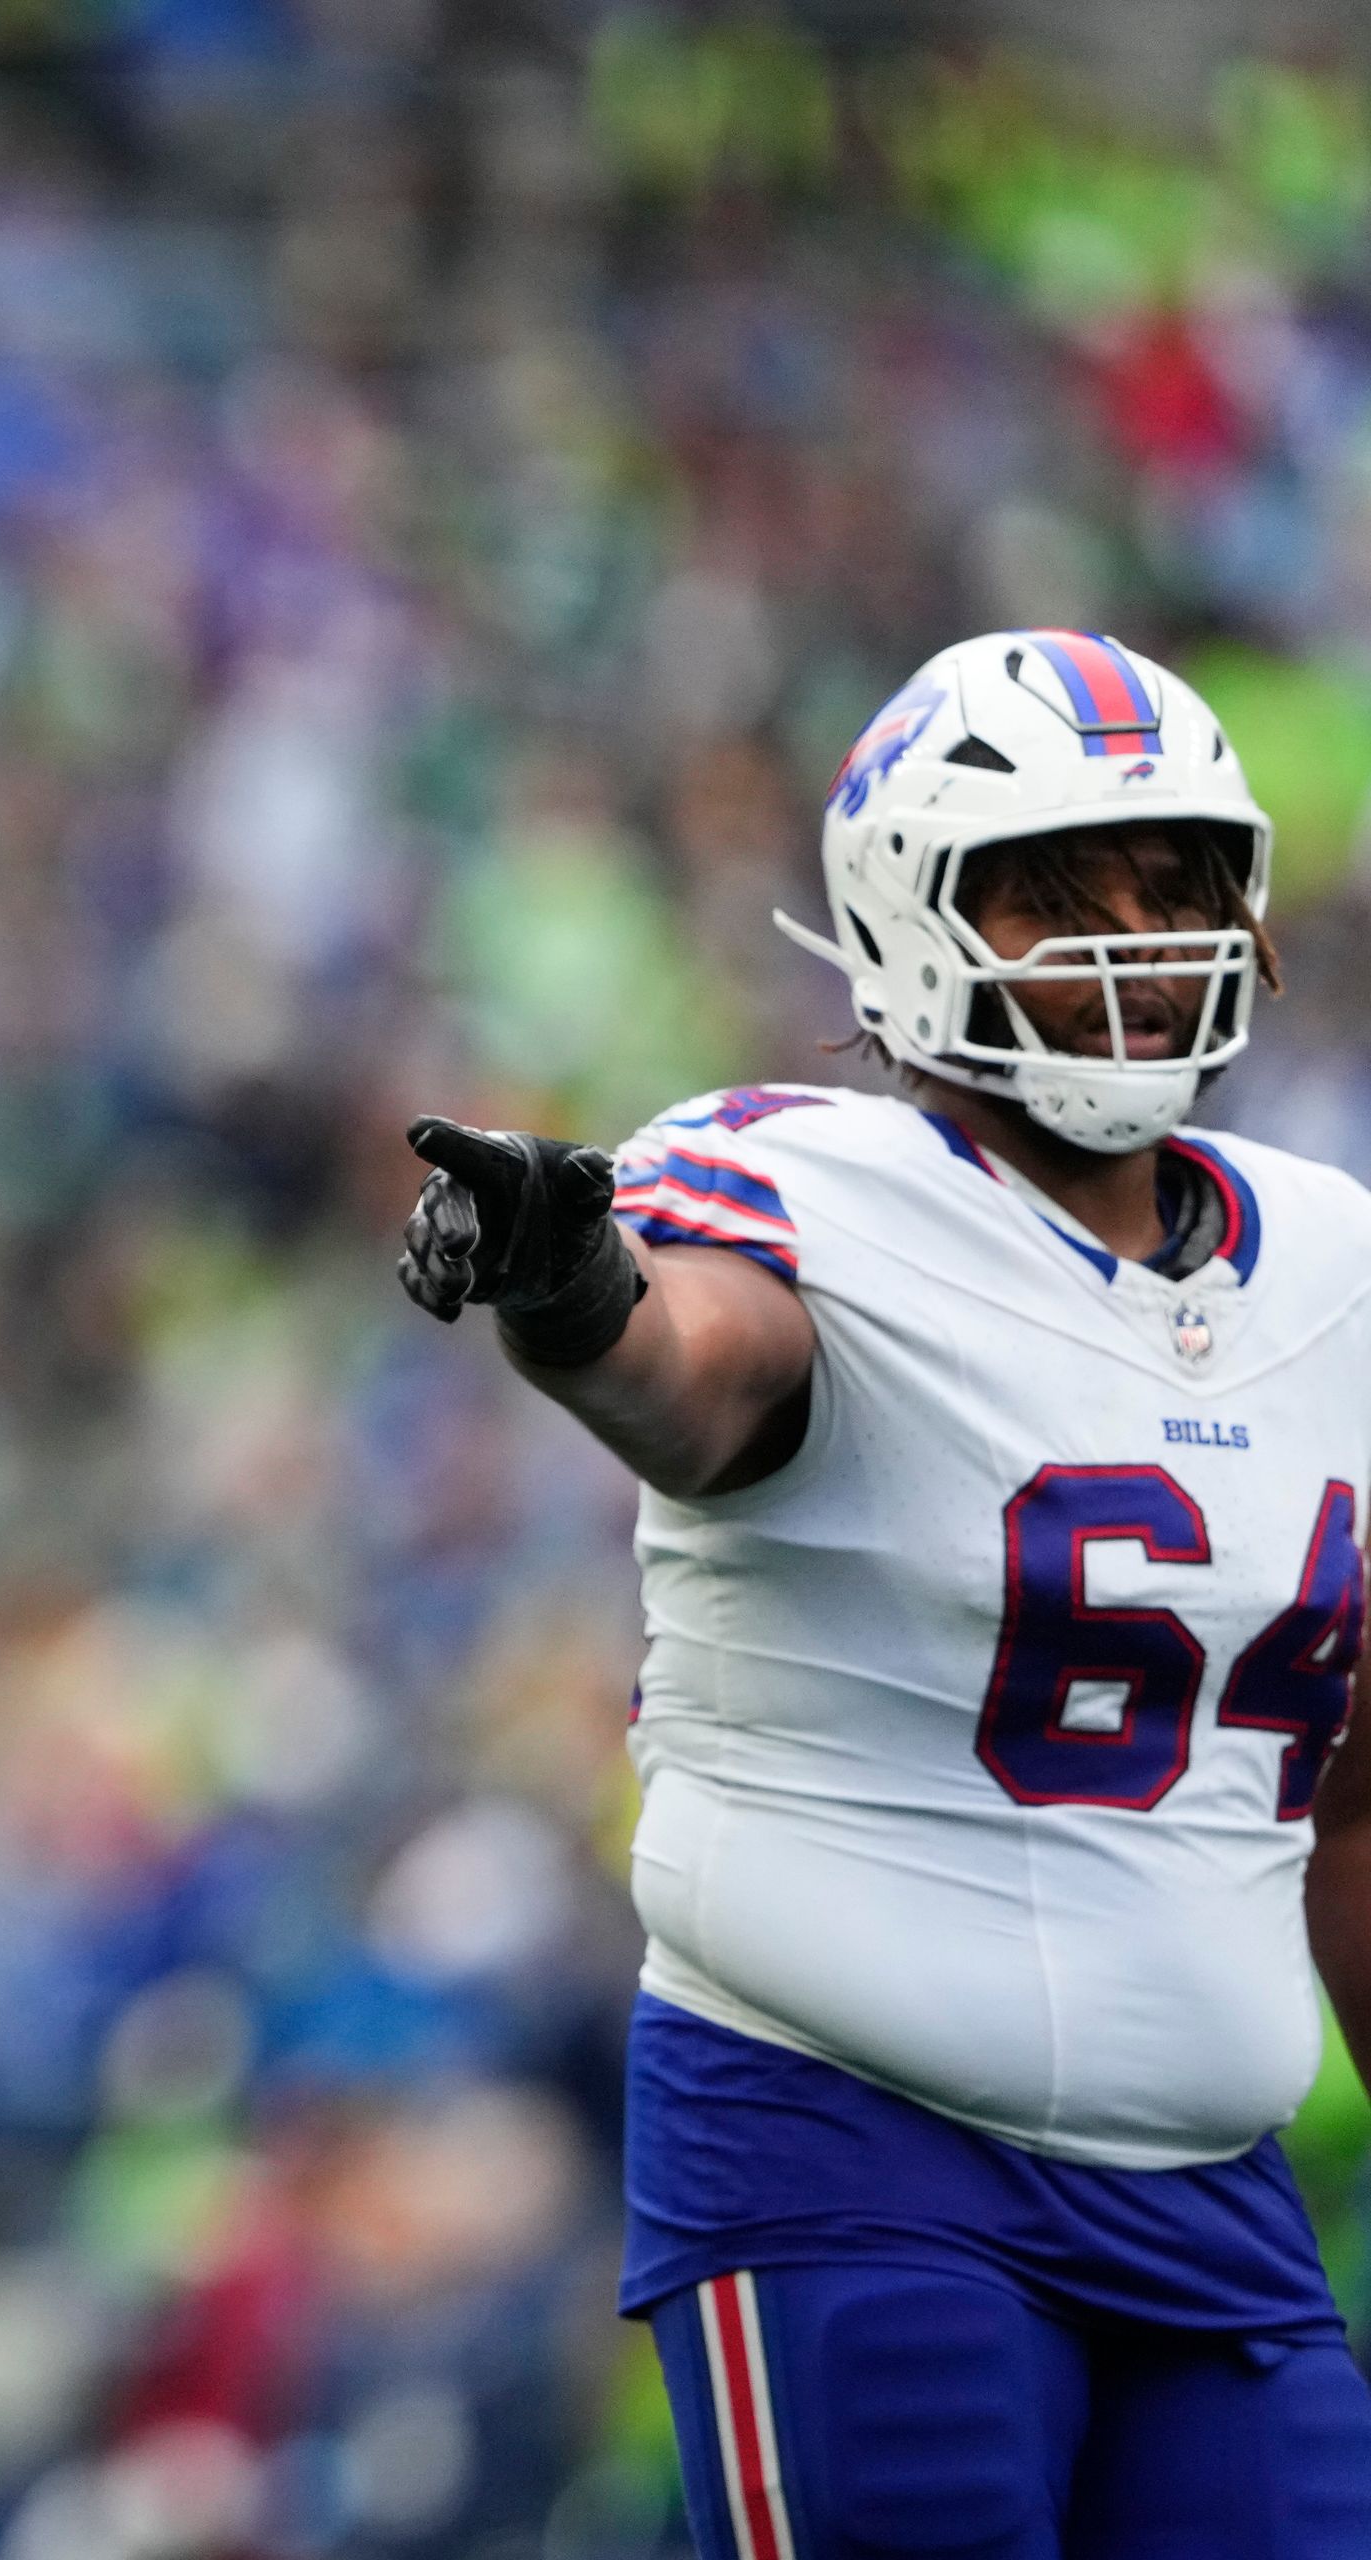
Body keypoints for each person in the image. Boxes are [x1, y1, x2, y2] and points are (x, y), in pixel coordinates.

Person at [398, 628, 1371, 2558]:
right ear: (912, 922)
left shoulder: (1338, 1260)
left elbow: (1360, 1795)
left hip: (1214, 2191)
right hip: (849, 2148)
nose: (1127, 943)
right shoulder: (806, 1182)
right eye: (1056, 892)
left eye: (1170, 887)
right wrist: (560, 1285)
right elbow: (683, 1372)